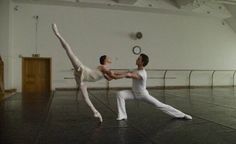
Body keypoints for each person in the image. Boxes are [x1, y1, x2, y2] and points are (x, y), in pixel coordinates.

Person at [52, 24, 126, 123]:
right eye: (108, 57)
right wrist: (126, 74)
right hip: (82, 71)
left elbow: (110, 77)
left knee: (86, 97)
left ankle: (95, 112)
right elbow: (113, 75)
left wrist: (126, 73)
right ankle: (58, 34)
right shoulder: (104, 68)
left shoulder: (105, 70)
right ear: (105, 60)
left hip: (82, 79)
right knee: (69, 51)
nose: (110, 58)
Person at [116, 53, 192, 120]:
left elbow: (128, 75)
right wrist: (110, 73)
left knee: (160, 105)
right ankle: (123, 115)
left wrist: (114, 76)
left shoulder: (142, 73)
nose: (137, 59)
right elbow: (124, 72)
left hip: (142, 95)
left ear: (142, 62)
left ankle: (182, 115)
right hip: (133, 93)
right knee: (120, 94)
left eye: (139, 59)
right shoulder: (135, 69)